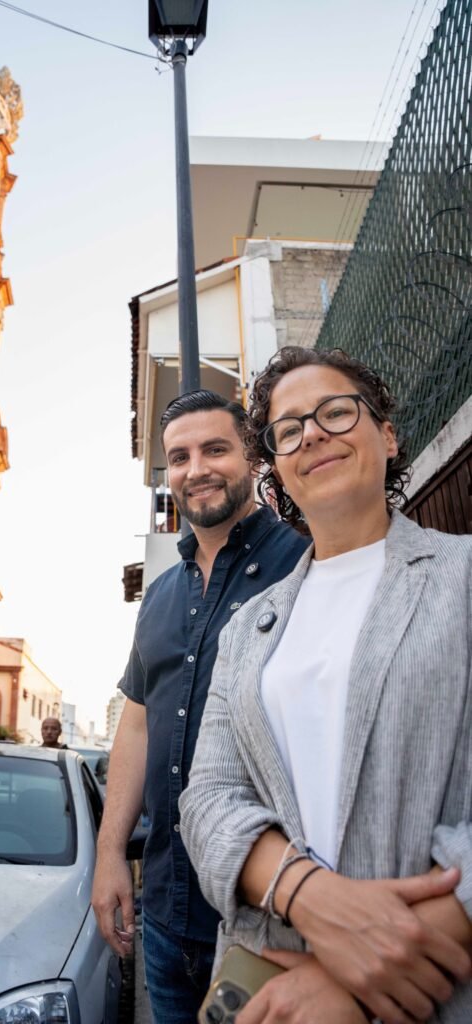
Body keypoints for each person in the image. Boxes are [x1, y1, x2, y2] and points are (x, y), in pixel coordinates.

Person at [179, 346, 472, 1024]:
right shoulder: (251, 624)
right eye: (289, 430)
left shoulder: (461, 577)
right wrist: (308, 897)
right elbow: (208, 800)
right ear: (278, 470)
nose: (313, 433)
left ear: (388, 435)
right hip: (266, 987)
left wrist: (365, 970)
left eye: (336, 412)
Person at [91, 390, 310, 1024]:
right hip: (162, 911)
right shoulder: (159, 595)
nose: (197, 469)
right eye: (179, 457)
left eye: (216, 449)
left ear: (253, 458)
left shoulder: (304, 564)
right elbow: (137, 725)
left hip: (265, 920)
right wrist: (110, 857)